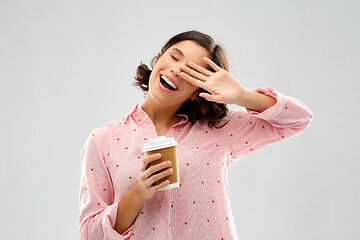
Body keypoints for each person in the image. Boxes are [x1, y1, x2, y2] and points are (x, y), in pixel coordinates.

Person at [78, 30, 314, 239]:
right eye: (174, 57)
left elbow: (299, 119)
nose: (177, 70)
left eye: (192, 72)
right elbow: (90, 234)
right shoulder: (102, 141)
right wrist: (140, 192)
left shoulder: (219, 128)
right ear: (158, 58)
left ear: (196, 92)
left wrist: (242, 96)